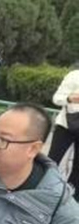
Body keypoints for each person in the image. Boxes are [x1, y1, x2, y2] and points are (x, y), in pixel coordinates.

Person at [47, 65, 79, 199]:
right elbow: (56, 98)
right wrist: (69, 98)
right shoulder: (74, 75)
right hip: (65, 125)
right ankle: (43, 189)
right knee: (53, 160)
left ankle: (73, 199)